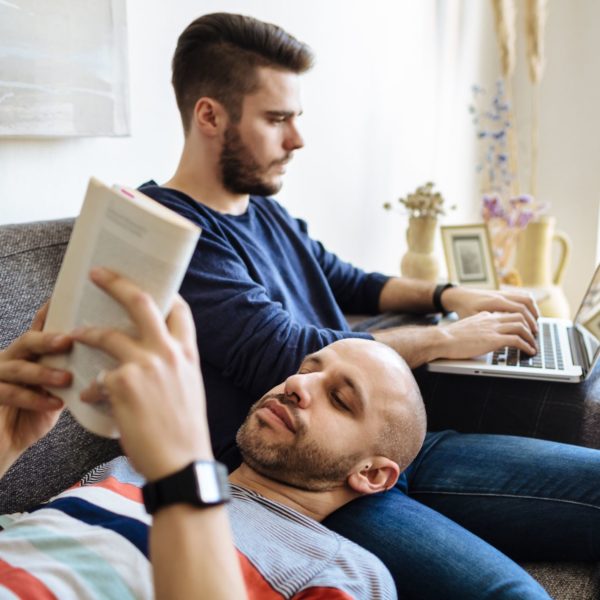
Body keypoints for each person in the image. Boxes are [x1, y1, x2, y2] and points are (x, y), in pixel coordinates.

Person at [132, 12, 600, 599]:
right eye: (277, 120)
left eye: (296, 118)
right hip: (306, 476)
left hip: (389, 445)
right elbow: (281, 353)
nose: (297, 139)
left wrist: (450, 296)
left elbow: (345, 278)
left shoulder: (261, 208)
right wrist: (445, 337)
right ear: (209, 115)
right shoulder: (167, 228)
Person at [0, 268, 427, 599]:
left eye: (339, 399)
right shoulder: (127, 469)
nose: (296, 385)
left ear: (372, 474)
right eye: (305, 370)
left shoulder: (343, 572)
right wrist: (8, 442)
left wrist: (182, 474)